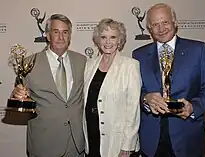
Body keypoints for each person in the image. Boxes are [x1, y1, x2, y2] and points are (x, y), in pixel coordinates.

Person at [132, 3, 205, 157]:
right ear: (149, 29)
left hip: (188, 138)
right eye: (155, 24)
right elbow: (134, 92)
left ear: (175, 22)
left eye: (165, 22)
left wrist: (193, 107)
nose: (161, 28)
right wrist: (145, 98)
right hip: (151, 141)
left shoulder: (198, 50)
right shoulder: (138, 55)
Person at [12, 14, 86, 157]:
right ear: (47, 35)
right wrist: (17, 94)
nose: (60, 37)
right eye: (56, 32)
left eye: (65, 32)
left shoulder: (82, 61)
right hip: (44, 143)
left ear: (70, 36)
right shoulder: (29, 63)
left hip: (76, 144)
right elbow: (18, 95)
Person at [83, 18, 141, 157]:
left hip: (117, 141)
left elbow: (133, 109)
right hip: (92, 136)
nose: (108, 42)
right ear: (98, 40)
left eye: (113, 37)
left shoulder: (130, 66)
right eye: (103, 37)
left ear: (119, 40)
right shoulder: (89, 64)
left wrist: (127, 145)